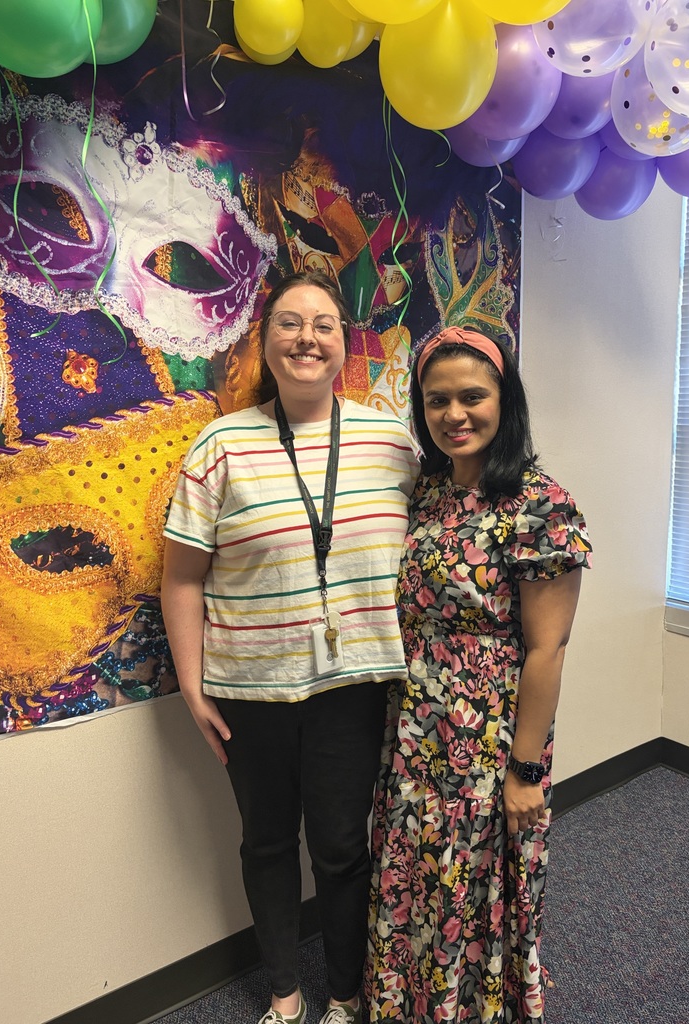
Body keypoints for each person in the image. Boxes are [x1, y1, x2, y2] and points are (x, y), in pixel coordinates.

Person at [161, 270, 420, 1024]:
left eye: (324, 324)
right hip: (251, 689)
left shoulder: (390, 439)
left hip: (355, 687)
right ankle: (284, 994)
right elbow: (182, 577)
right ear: (265, 339)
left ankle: (345, 994)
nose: (307, 338)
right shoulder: (221, 444)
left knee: (342, 849)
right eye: (289, 323)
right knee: (268, 843)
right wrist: (192, 687)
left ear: (345, 342)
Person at [366, 326, 593, 1023]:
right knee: (417, 869)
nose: (454, 414)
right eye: (437, 401)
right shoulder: (428, 490)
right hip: (415, 725)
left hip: (489, 733)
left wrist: (524, 771)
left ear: (505, 400)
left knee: (473, 884)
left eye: (472, 396)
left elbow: (547, 649)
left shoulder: (540, 505)